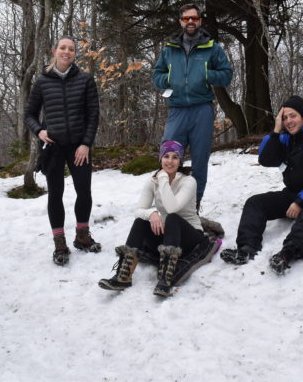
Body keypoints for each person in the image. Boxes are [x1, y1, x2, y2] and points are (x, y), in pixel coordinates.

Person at [220, 96, 303, 274]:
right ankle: (246, 249)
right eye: (285, 118)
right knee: (255, 203)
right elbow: (265, 159)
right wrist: (276, 131)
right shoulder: (285, 139)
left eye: (293, 116)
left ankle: (288, 253)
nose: (288, 121)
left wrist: (300, 201)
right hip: (291, 193)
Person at [98, 141, 220, 297]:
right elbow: (138, 210)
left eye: (175, 157)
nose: (170, 161)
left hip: (190, 238)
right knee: (141, 221)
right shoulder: (152, 181)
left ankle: (165, 279)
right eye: (166, 156)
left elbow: (172, 208)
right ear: (160, 158)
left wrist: (163, 179)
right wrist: (152, 214)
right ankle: (124, 276)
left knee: (173, 218)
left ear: (180, 161)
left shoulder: (189, 181)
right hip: (168, 235)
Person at [25, 36, 101, 265]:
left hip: (79, 147)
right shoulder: (42, 81)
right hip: (53, 147)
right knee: (55, 194)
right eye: (63, 48)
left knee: (84, 191)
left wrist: (86, 144)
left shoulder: (85, 79)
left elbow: (93, 115)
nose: (67, 52)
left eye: (71, 49)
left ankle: (82, 236)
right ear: (54, 51)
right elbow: (29, 114)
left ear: (75, 53)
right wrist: (39, 131)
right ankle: (60, 244)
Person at [152, 4, 232, 211]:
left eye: (194, 18)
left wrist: (206, 74)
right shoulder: (170, 48)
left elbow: (226, 75)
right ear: (180, 21)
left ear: (200, 21)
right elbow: (156, 76)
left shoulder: (212, 47)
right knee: (169, 155)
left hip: (202, 109)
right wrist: (169, 78)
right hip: (177, 109)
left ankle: (193, 205)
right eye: (186, 18)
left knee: (200, 159)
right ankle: (167, 202)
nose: (190, 22)